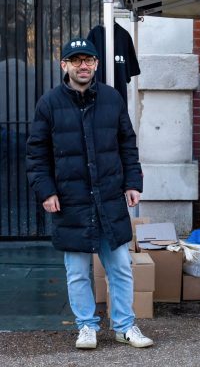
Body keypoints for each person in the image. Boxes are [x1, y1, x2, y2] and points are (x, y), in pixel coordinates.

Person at [26, 38, 153, 350]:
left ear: (96, 64)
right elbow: (36, 154)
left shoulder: (111, 99)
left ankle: (125, 326)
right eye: (76, 60)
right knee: (78, 272)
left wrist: (133, 182)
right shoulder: (49, 103)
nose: (83, 65)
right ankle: (86, 327)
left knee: (121, 267)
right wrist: (46, 191)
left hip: (109, 198)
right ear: (64, 65)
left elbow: (127, 143)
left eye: (89, 60)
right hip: (71, 202)